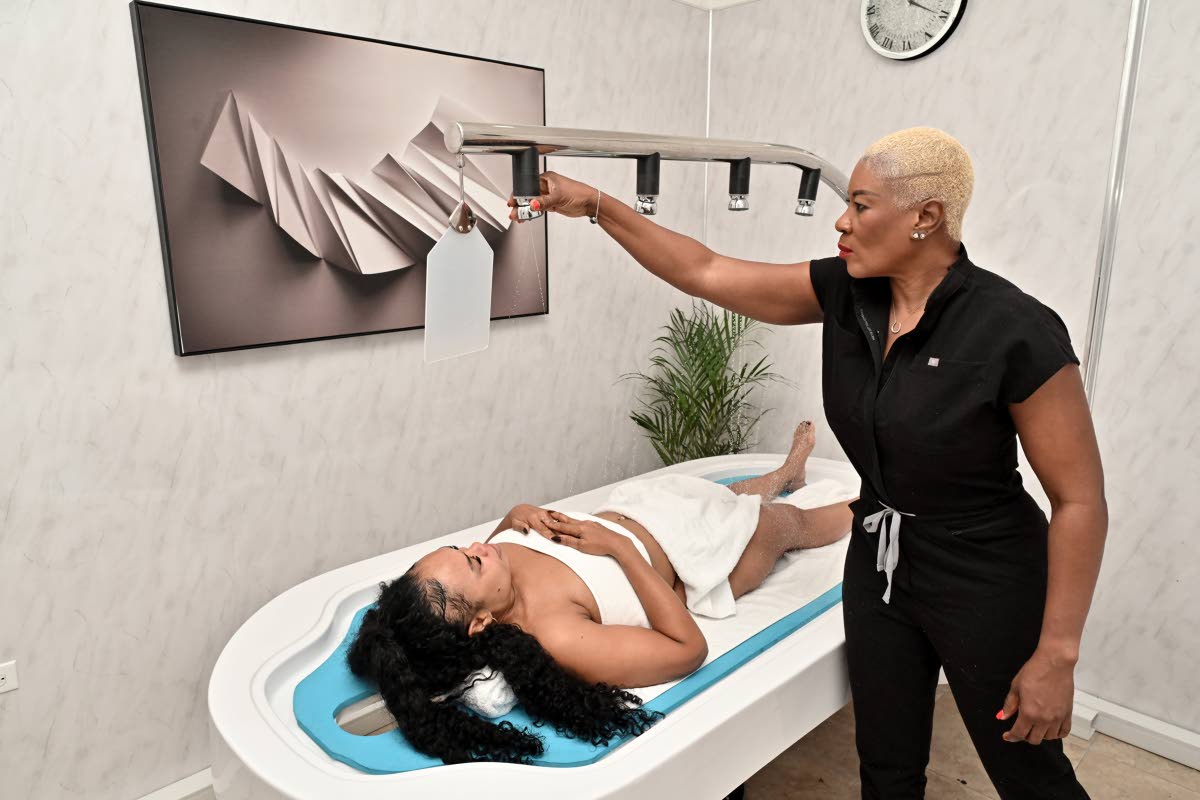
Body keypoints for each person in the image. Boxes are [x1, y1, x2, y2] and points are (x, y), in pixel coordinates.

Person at [508, 127, 1106, 799]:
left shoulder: (1014, 328)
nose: (840, 221)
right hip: (878, 560)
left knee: (1029, 773)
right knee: (886, 765)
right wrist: (595, 205)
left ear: (926, 218)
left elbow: (1080, 500)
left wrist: (1056, 653)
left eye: (861, 204)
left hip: (985, 571)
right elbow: (704, 271)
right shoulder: (847, 294)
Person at [350, 422, 853, 764]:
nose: (482, 544)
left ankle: (786, 474)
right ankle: (878, 505)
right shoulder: (556, 634)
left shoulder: (497, 563)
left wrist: (518, 513)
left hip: (650, 511)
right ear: (480, 623)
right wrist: (620, 550)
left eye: (464, 545)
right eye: (472, 560)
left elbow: (501, 542)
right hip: (699, 559)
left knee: (724, 494)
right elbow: (688, 650)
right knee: (785, 523)